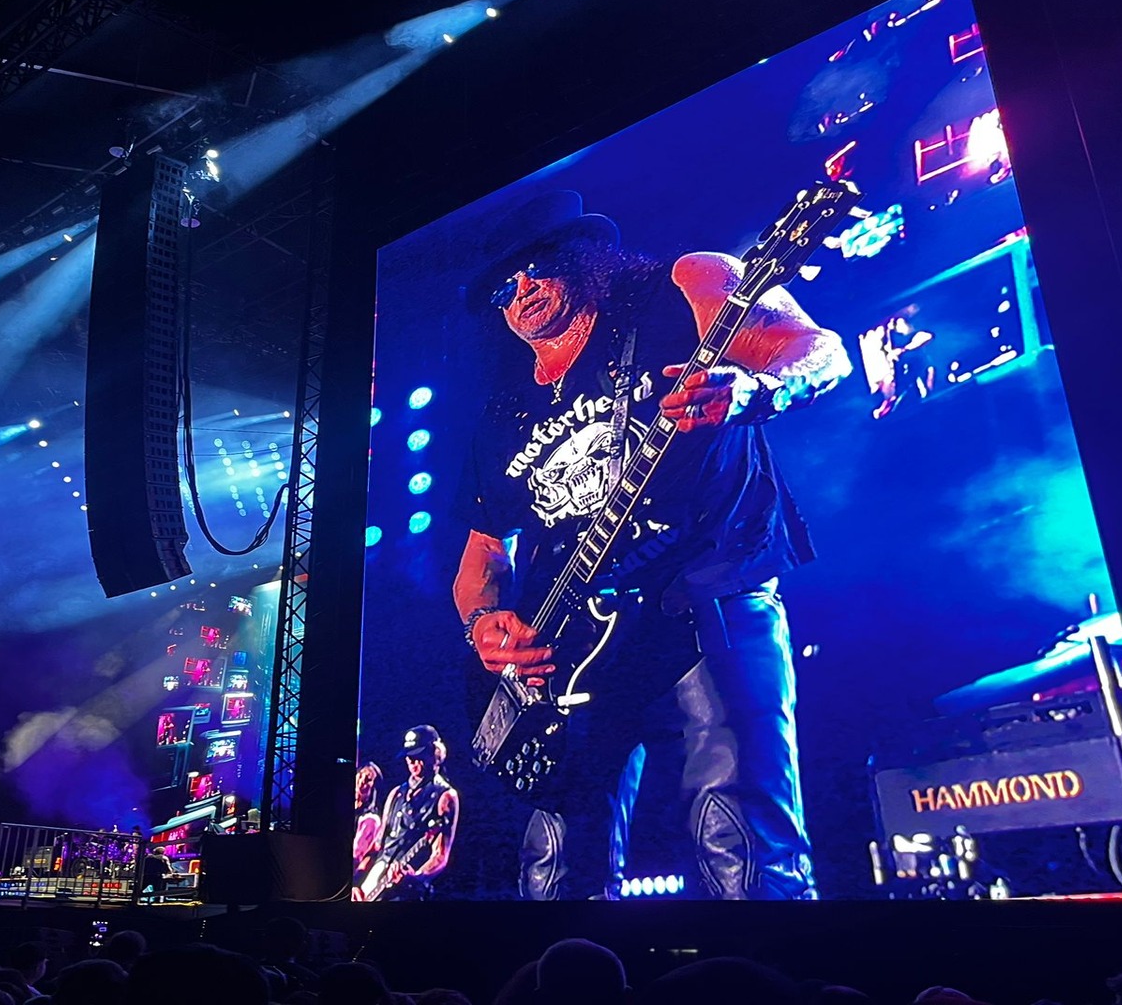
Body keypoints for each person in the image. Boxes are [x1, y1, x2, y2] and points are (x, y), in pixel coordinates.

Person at [452, 191, 849, 900]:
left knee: (738, 838)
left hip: (705, 599)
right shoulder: (503, 414)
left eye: (537, 268)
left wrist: (753, 392)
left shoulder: (684, 289)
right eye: (503, 290)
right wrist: (486, 625)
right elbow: (482, 557)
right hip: (571, 647)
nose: (523, 293)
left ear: (582, 256)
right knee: (554, 865)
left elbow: (817, 352)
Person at [357, 725, 460, 900]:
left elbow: (440, 855)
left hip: (407, 892)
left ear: (434, 754)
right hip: (375, 882)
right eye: (408, 756)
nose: (411, 761)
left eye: (417, 756)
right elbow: (377, 846)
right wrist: (356, 883)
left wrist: (416, 877)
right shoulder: (396, 793)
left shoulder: (445, 797)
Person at [352, 762, 384, 877]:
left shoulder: (371, 819)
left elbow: (356, 856)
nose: (361, 782)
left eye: (368, 780)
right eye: (360, 775)